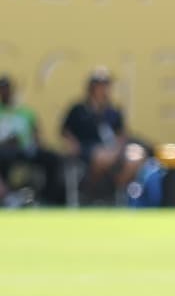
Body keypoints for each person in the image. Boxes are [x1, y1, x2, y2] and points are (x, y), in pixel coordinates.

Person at [60, 69, 147, 204]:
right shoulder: (79, 110)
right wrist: (72, 145)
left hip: (113, 150)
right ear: (92, 88)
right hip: (87, 149)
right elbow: (65, 131)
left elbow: (121, 134)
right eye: (100, 85)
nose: (104, 89)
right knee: (101, 157)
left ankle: (115, 190)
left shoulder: (113, 111)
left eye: (106, 85)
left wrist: (117, 150)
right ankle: (90, 191)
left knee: (136, 156)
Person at [0, 74, 53, 206]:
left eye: (7, 88)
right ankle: (8, 196)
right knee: (5, 157)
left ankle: (48, 197)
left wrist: (37, 143)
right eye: (2, 89)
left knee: (51, 158)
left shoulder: (25, 112)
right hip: (3, 151)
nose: (5, 91)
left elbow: (36, 133)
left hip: (25, 150)